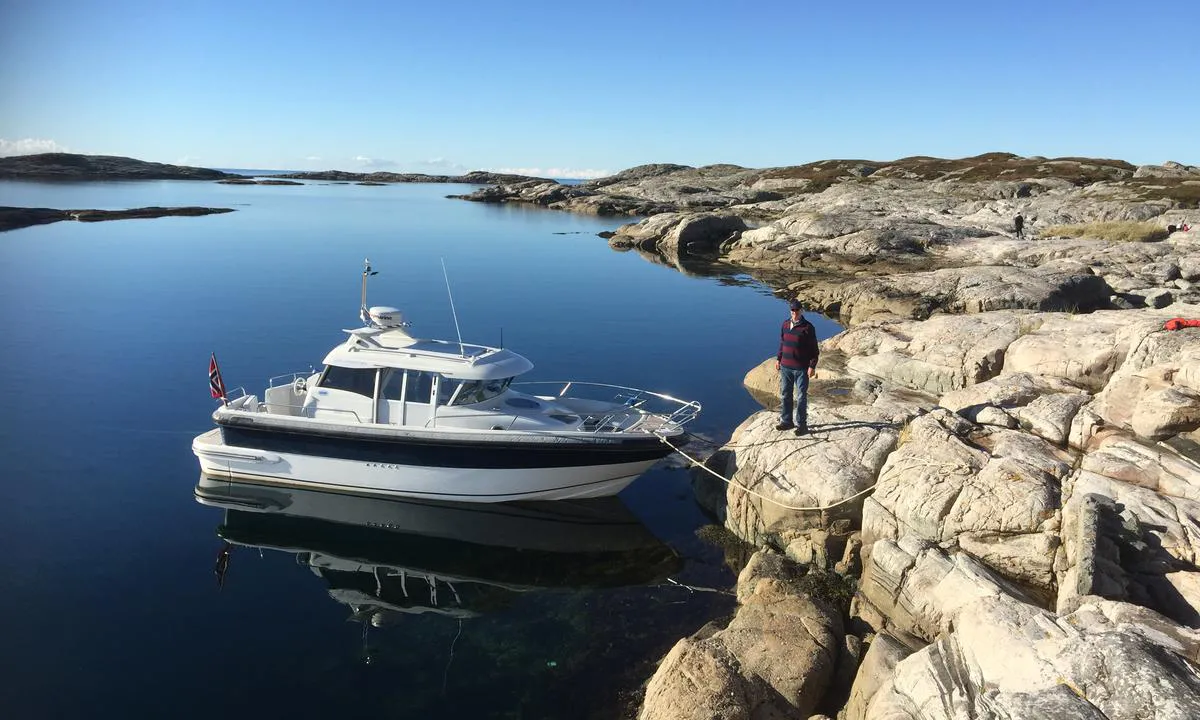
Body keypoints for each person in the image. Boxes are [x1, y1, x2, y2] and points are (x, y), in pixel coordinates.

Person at [776, 298, 819, 435]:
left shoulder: (808, 327)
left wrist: (812, 366)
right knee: (785, 394)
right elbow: (782, 343)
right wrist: (778, 359)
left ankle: (802, 425)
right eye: (792, 310)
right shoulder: (785, 324)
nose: (794, 312)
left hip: (801, 368)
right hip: (786, 367)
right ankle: (787, 421)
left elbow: (814, 350)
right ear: (790, 310)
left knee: (801, 397)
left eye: (797, 310)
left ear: (801, 310)